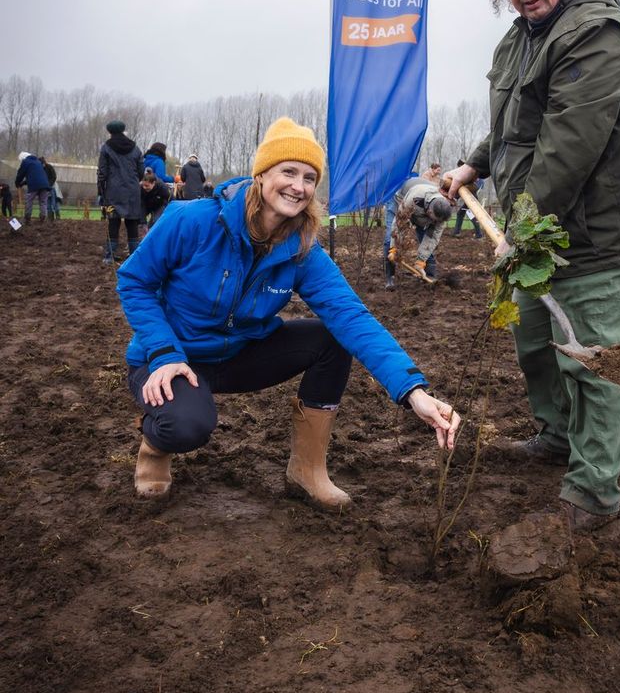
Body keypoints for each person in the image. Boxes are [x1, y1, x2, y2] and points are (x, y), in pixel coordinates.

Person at [444, 0, 620, 534]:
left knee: (592, 356)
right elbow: (514, 125)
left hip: (604, 231)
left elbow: (565, 148)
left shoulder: (595, 34)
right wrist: (475, 164)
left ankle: (594, 493)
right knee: (536, 341)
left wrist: (517, 235)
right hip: (543, 230)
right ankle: (555, 434)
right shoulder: (522, 37)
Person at [117, 117, 460, 506]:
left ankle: (307, 470)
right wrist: (163, 352)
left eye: (310, 177)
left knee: (331, 337)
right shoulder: (192, 220)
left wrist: (413, 391)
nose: (299, 186)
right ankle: (155, 444)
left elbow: (352, 316)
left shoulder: (302, 249)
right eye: (289, 171)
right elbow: (134, 281)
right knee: (187, 426)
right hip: (170, 360)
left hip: (239, 355)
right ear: (262, 174)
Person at [384, 177, 452, 289]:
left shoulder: (442, 212)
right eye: (434, 220)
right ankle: (390, 278)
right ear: (430, 211)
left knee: (426, 237)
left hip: (421, 212)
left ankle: (430, 275)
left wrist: (421, 261)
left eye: (437, 221)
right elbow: (399, 224)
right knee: (389, 238)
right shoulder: (414, 199)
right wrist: (394, 248)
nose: (435, 223)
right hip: (399, 200)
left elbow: (432, 238)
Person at [97, 120, 144, 264]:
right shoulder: (135, 148)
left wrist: (101, 192)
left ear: (110, 132)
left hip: (113, 191)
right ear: (123, 130)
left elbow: (102, 173)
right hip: (132, 191)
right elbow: (141, 171)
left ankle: (109, 256)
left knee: (113, 222)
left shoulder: (106, 148)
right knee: (132, 223)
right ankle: (134, 256)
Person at [14, 153, 51, 222]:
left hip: (34, 185)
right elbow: (35, 176)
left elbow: (20, 174)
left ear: (23, 159)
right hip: (45, 184)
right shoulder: (38, 162)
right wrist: (23, 183)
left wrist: (17, 183)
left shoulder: (25, 162)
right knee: (43, 202)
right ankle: (43, 217)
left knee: (29, 200)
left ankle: (27, 218)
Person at [452, 161, 483, 238]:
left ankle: (479, 234)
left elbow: (475, 186)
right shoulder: (464, 175)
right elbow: (461, 189)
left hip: (472, 199)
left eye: (460, 167)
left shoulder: (468, 175)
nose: (459, 169)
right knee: (461, 214)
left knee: (471, 215)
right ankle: (456, 232)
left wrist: (456, 197)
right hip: (469, 199)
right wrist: (455, 198)